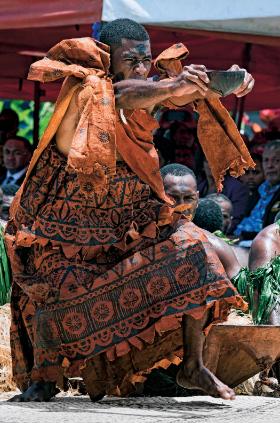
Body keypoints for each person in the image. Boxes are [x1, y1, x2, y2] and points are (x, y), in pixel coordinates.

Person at [5, 18, 254, 402]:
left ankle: (193, 365)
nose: (141, 68)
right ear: (108, 60)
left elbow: (172, 93)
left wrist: (225, 82)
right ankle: (44, 376)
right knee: (54, 291)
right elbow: (122, 93)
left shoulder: (147, 97)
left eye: (146, 60)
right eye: (131, 59)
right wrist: (173, 85)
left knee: (194, 247)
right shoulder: (87, 93)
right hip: (60, 235)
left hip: (123, 231)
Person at [161, 164, 241, 280]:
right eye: (173, 198)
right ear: (158, 196)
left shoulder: (215, 246)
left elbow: (243, 291)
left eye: (188, 198)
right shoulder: (135, 239)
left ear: (197, 199)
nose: (182, 206)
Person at [235, 140, 280, 240]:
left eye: (276, 160)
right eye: (266, 160)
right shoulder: (259, 190)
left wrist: (242, 237)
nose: (270, 165)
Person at [198, 159, 249, 233]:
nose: (212, 164)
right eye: (208, 160)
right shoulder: (198, 186)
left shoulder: (237, 189)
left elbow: (236, 220)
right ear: (203, 164)